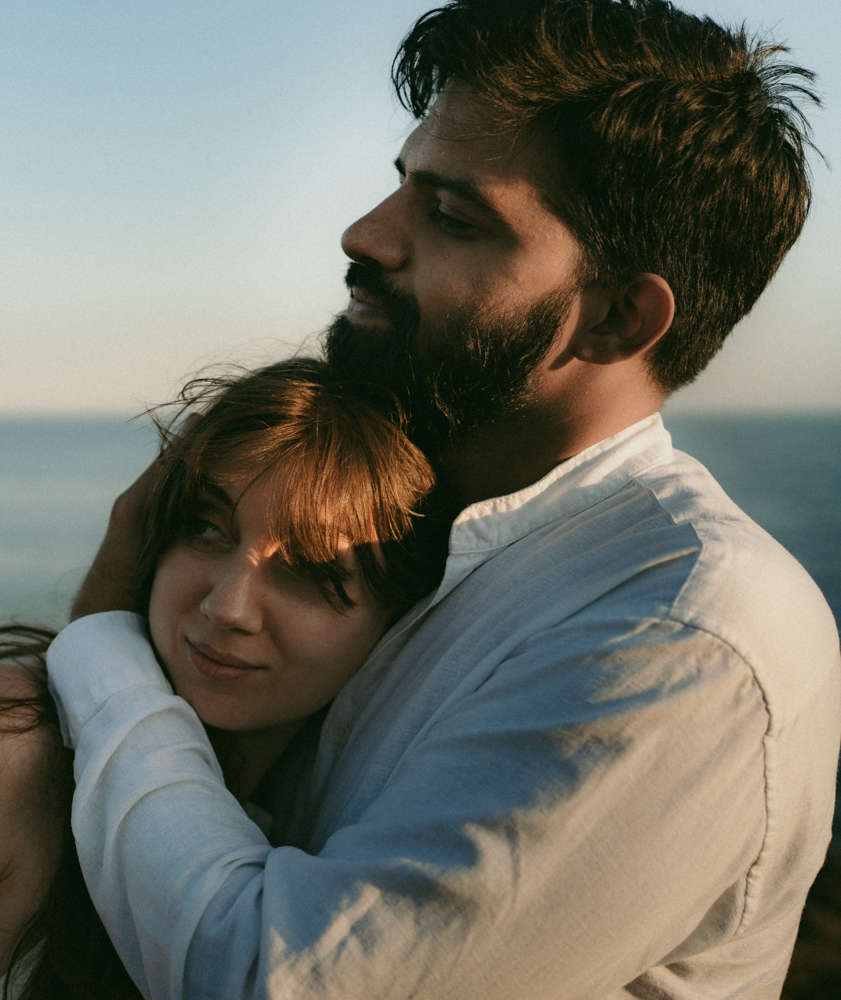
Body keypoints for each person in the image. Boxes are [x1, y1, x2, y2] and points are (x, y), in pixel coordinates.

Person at [51, 1, 841, 998]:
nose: (366, 235)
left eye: (453, 217)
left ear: (618, 317)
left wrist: (100, 645)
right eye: (401, 188)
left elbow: (266, 977)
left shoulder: (688, 629)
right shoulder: (413, 525)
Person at [0, 358, 449, 999]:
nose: (225, 607)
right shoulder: (6, 746)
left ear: (393, 622)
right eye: (205, 529)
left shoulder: (349, 838)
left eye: (307, 573)